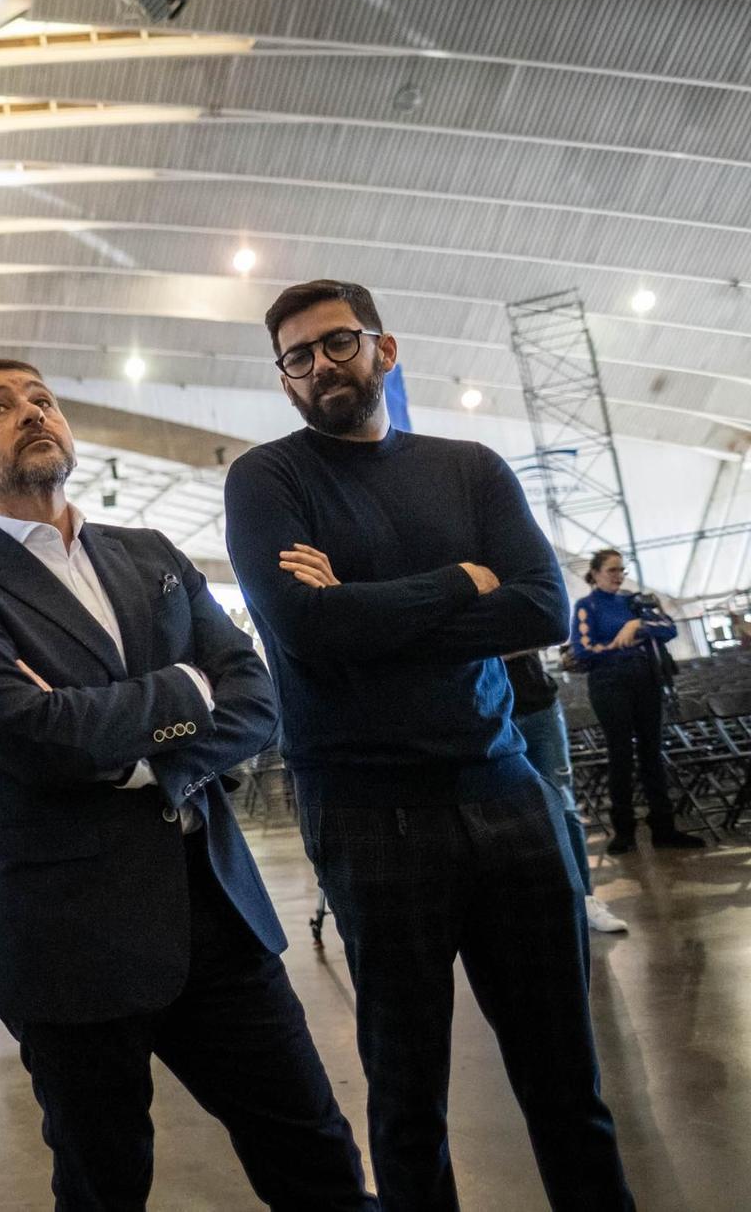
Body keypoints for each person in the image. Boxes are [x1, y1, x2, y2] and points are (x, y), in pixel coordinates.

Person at [0, 359, 374, 1212]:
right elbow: (30, 732)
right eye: (0, 408)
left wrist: (145, 755)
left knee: (317, 1156)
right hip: (68, 940)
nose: (33, 412)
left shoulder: (151, 554)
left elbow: (256, 694)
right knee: (103, 1182)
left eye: (43, 398)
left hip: (217, 919)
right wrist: (186, 690)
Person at [224, 279, 632, 1211]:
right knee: (408, 1098)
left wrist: (362, 606)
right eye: (298, 355)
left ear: (384, 348)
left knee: (570, 1086)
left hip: (507, 792)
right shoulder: (268, 480)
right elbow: (305, 626)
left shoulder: (471, 467)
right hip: (370, 815)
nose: (321, 364)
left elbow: (536, 604)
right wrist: (461, 579)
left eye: (338, 343)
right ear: (283, 377)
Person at [568, 549, 704, 854]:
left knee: (652, 753)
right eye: (612, 570)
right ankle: (624, 831)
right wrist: (620, 641)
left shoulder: (634, 601)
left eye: (621, 570)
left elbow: (668, 627)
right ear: (595, 573)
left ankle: (664, 828)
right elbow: (583, 650)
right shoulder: (586, 606)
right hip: (609, 683)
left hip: (645, 679)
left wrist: (637, 626)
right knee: (620, 754)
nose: (618, 576)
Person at [504, 651, 630, 931]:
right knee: (505, 813)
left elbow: (542, 629)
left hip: (539, 705)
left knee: (563, 806)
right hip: (490, 711)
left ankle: (584, 900)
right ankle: (528, 907)